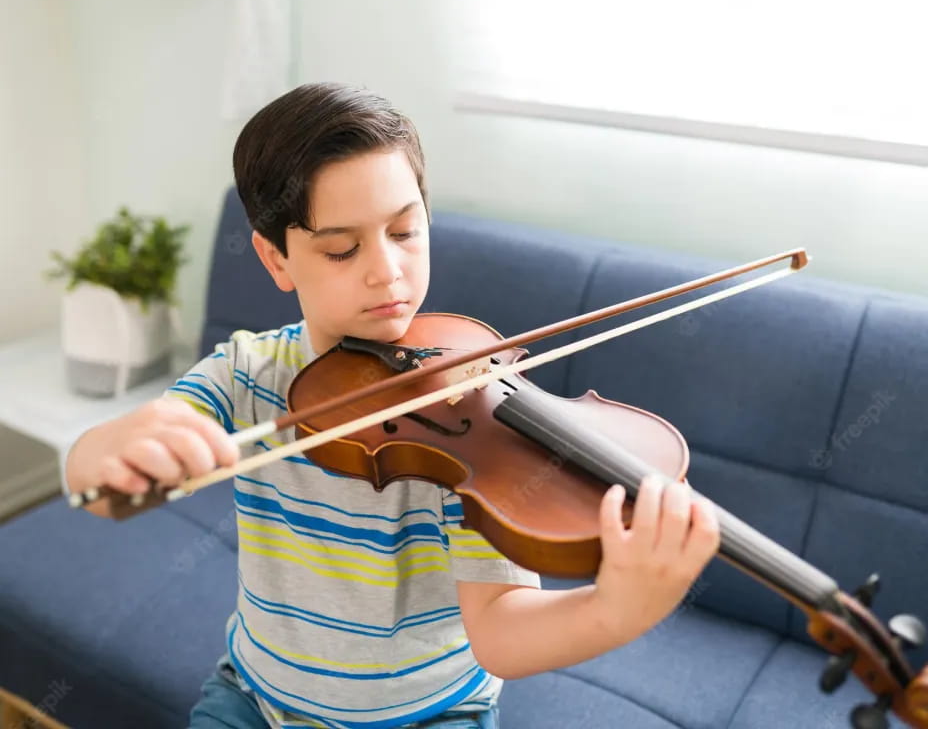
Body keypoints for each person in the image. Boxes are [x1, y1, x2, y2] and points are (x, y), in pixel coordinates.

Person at [64, 82, 720, 729]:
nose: (388, 271)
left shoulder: (475, 414)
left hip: (430, 715)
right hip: (256, 697)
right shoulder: (245, 374)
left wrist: (617, 609)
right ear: (275, 257)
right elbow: (95, 486)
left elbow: (500, 631)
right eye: (342, 248)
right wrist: (116, 448)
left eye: (405, 231)